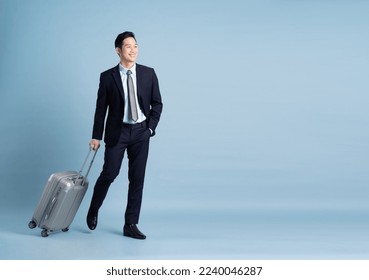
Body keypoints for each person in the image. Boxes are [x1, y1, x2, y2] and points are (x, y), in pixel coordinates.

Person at [86, 31, 163, 239]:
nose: (133, 50)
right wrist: (96, 136)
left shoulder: (148, 73)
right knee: (109, 173)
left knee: (137, 178)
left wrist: (150, 128)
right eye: (128, 46)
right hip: (117, 133)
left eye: (136, 46)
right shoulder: (107, 77)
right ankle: (94, 208)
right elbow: (101, 109)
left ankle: (130, 224)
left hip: (140, 132)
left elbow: (157, 103)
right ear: (118, 51)